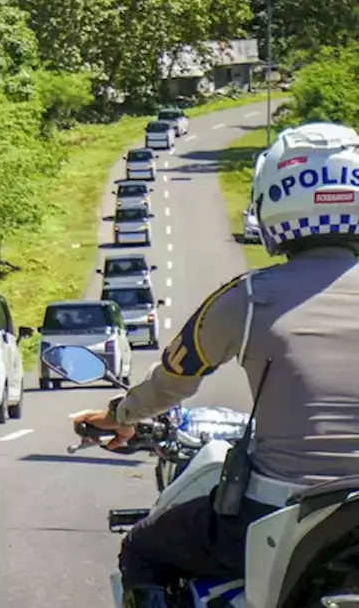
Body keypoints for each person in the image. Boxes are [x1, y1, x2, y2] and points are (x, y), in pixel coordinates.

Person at [73, 122, 359, 608]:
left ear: (272, 200)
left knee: (142, 549)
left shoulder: (246, 299)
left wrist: (118, 416)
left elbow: (171, 383)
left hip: (275, 511)